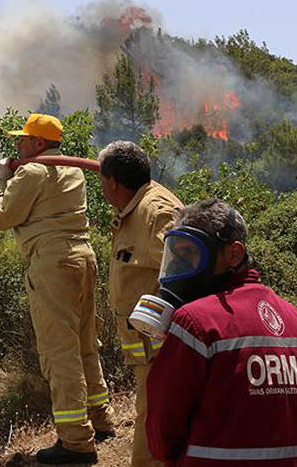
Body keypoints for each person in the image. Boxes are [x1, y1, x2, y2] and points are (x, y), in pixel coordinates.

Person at [143, 199, 297, 466]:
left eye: (191, 253)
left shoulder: (196, 324)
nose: (181, 267)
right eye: (177, 254)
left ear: (233, 254)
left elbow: (163, 435)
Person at [0, 113, 116, 464]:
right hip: (83, 259)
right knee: (86, 344)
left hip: (53, 265)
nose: (18, 144)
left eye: (24, 139)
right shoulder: (70, 170)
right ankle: (101, 422)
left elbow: (2, 217)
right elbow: (41, 198)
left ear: (39, 143)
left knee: (60, 352)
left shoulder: (32, 171)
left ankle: (75, 442)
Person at [97, 141, 182, 467]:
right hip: (144, 345)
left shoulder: (156, 212)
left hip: (161, 345)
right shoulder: (134, 207)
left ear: (113, 182)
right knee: (151, 409)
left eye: (103, 178)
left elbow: (182, 274)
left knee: (153, 414)